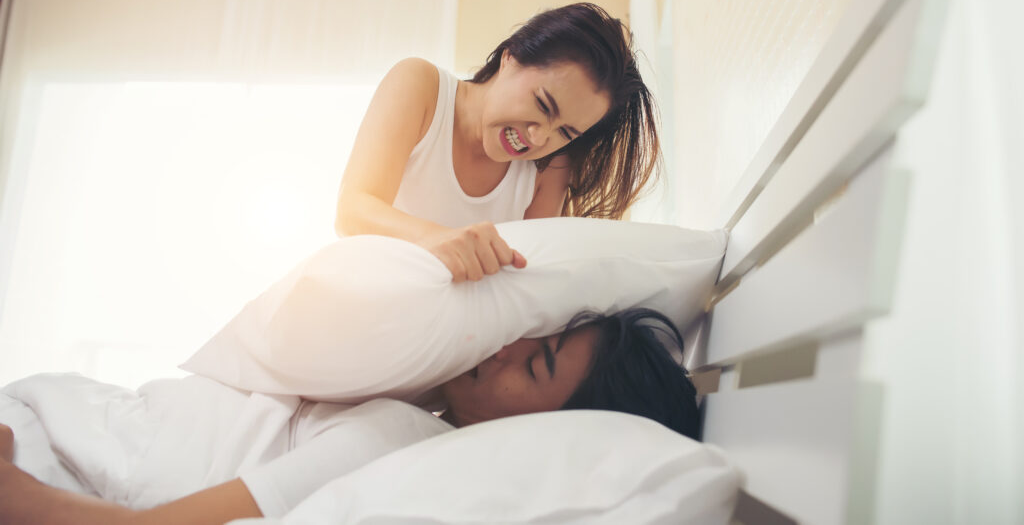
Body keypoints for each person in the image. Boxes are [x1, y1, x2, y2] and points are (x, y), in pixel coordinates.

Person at [0, 308, 697, 525]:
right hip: (72, 420)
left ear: (551, 432)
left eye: (536, 364)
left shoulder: (403, 446)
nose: (506, 345)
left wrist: (18, 495)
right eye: (532, 332)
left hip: (51, 452)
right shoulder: (417, 407)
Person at [335, 2, 661, 282]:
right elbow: (352, 212)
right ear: (511, 57)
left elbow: (531, 275)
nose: (538, 137)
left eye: (564, 133)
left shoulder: (551, 167)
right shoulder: (421, 87)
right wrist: (435, 239)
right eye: (544, 105)